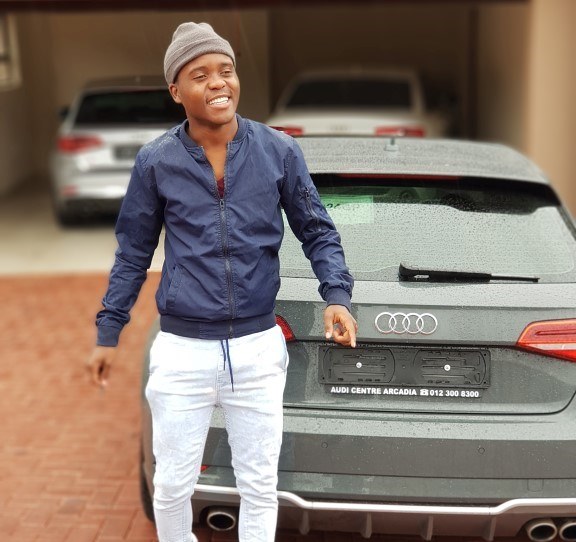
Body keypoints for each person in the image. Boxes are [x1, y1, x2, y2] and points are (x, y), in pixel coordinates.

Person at [86, 21, 357, 542]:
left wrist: (336, 295)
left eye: (226, 70)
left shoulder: (278, 151)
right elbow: (133, 253)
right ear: (176, 91)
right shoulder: (156, 162)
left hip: (256, 348)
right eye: (200, 74)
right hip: (182, 351)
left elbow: (318, 230)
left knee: (259, 486)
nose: (218, 83)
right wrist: (108, 331)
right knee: (171, 486)